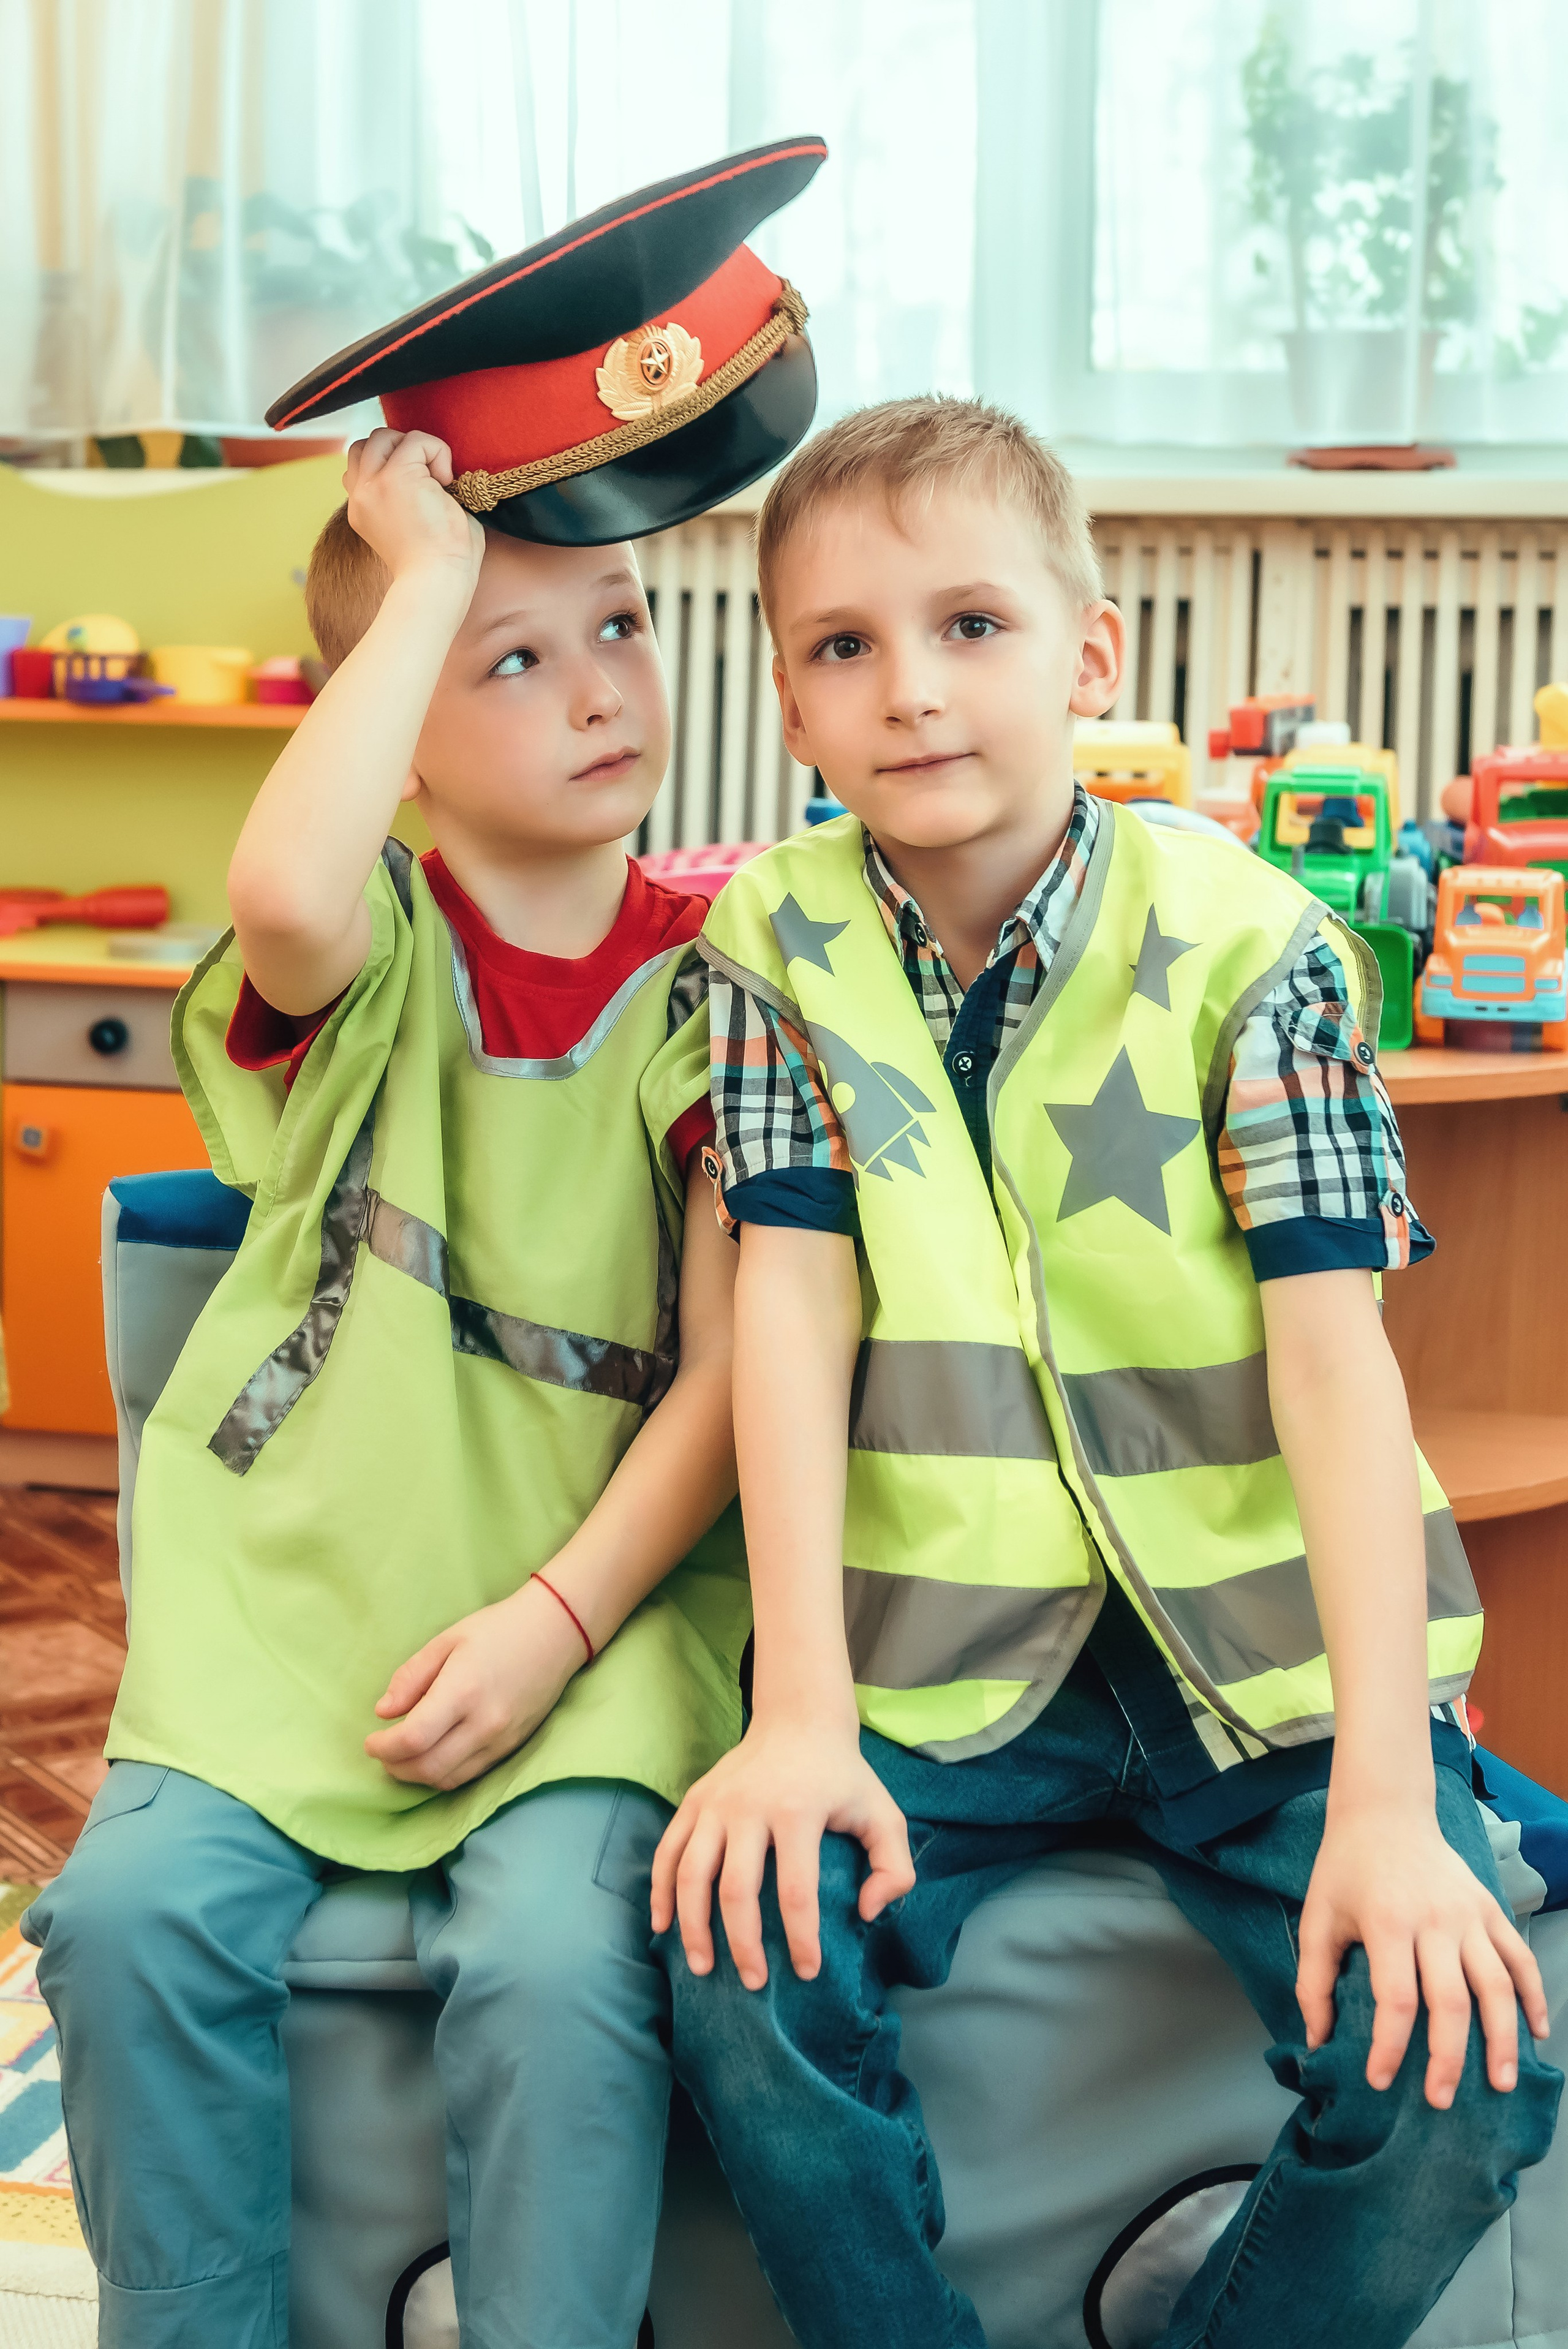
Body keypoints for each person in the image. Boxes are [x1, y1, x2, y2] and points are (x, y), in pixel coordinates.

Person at [652, 394, 1562, 2349]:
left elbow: (1339, 1377)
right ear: (792, 706)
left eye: (971, 625)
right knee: (738, 1952)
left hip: (1270, 1678)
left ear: (1090, 653)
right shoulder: (774, 948)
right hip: (933, 1669)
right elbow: (788, 1325)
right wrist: (798, 1710)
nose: (912, 691)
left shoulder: (1260, 952)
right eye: (845, 646)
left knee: (1471, 2066)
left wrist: (1393, 1801)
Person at [25, 138, 825, 2349]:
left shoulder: (730, 964)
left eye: (621, 630)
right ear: (390, 734)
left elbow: (739, 1358)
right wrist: (408, 572)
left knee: (565, 1958)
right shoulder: (367, 936)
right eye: (503, 662)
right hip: (292, 1589)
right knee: (125, 1924)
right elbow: (283, 889)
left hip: (597, 1601)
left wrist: (560, 1625)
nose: (596, 692)